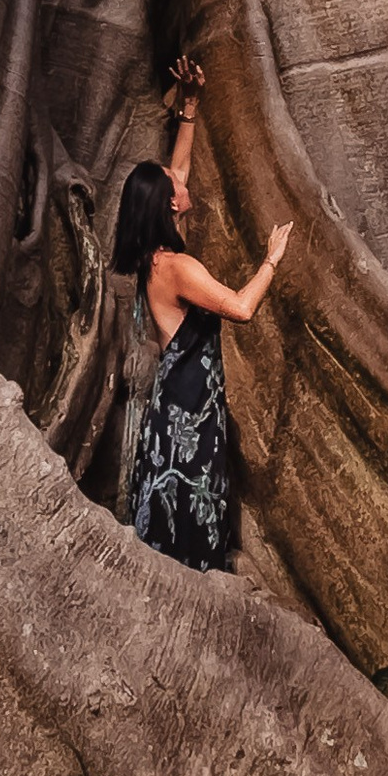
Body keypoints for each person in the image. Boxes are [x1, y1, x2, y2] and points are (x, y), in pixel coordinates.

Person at [110, 57, 293, 570]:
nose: (182, 179)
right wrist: (271, 260)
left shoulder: (154, 258)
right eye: (174, 183)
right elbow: (241, 308)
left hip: (181, 398)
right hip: (190, 403)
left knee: (181, 498)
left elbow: (180, 172)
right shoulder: (179, 268)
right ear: (170, 204)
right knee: (191, 504)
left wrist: (190, 109)